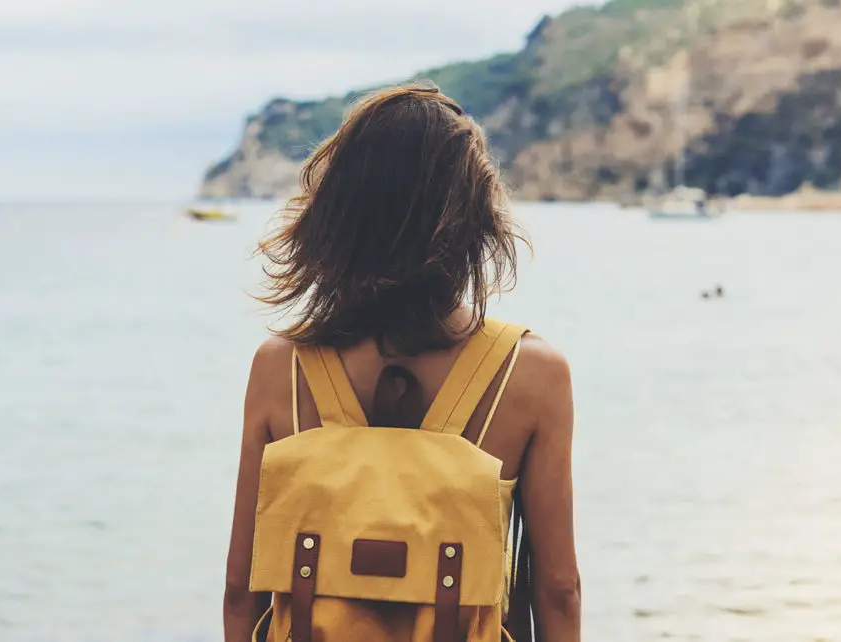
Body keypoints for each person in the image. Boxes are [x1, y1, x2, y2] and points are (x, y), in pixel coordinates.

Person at [224, 85, 580, 642]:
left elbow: (240, 591)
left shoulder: (280, 368)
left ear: (339, 215)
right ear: (473, 219)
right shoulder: (531, 373)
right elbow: (557, 591)